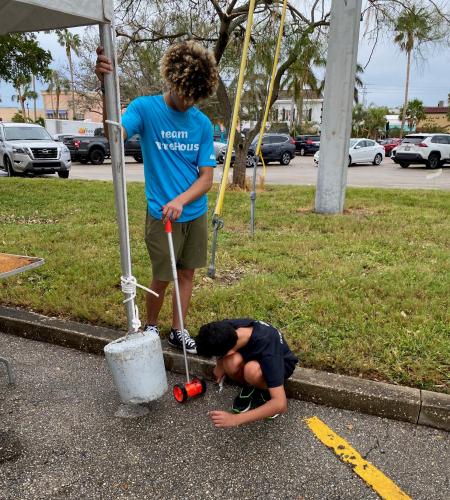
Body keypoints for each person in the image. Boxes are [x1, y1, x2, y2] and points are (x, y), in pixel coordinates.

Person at [95, 41, 219, 354]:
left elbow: (206, 177)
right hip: (161, 214)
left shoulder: (202, 123)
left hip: (194, 213)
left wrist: (182, 200)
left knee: (187, 273)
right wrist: (104, 87)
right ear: (173, 80)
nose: (189, 102)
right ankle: (150, 325)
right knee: (163, 277)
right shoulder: (145, 109)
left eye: (195, 97)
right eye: (184, 94)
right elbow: (114, 136)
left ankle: (178, 330)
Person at [195, 319, 299, 427]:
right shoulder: (226, 327)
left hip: (281, 364)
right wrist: (220, 364)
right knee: (230, 363)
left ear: (229, 351)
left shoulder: (269, 353)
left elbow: (280, 404)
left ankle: (266, 391)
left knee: (251, 371)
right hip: (255, 353)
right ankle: (250, 386)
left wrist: (235, 419)